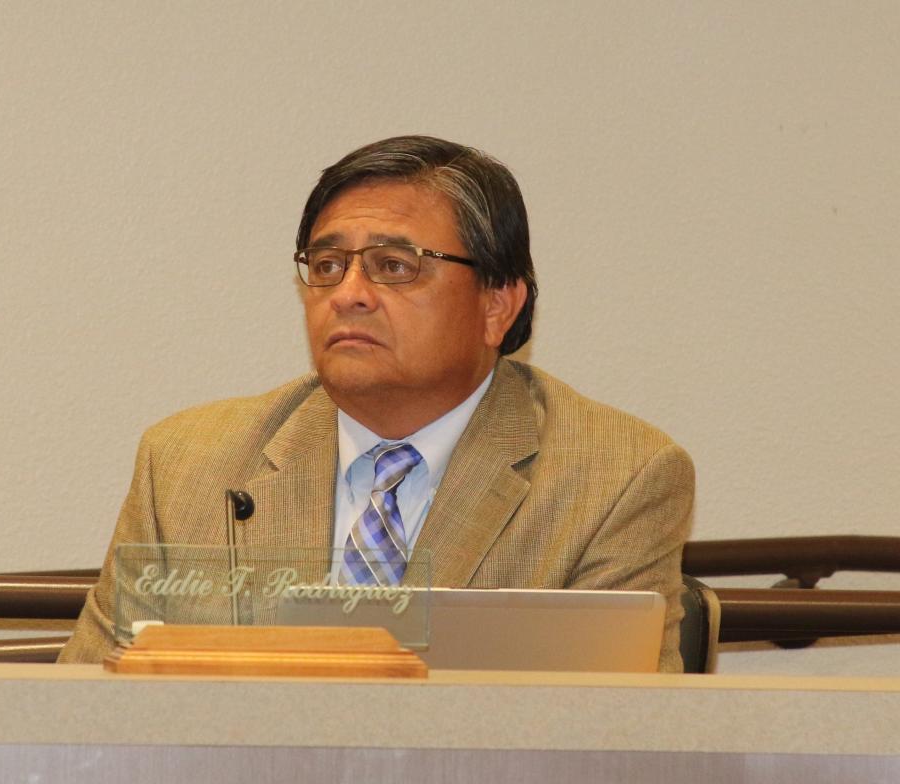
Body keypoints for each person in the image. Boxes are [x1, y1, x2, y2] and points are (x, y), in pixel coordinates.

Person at [59, 135, 694, 669]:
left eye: (394, 266)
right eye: (328, 264)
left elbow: (617, 741)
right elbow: (87, 712)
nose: (349, 293)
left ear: (497, 303)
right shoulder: (188, 466)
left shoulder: (616, 477)